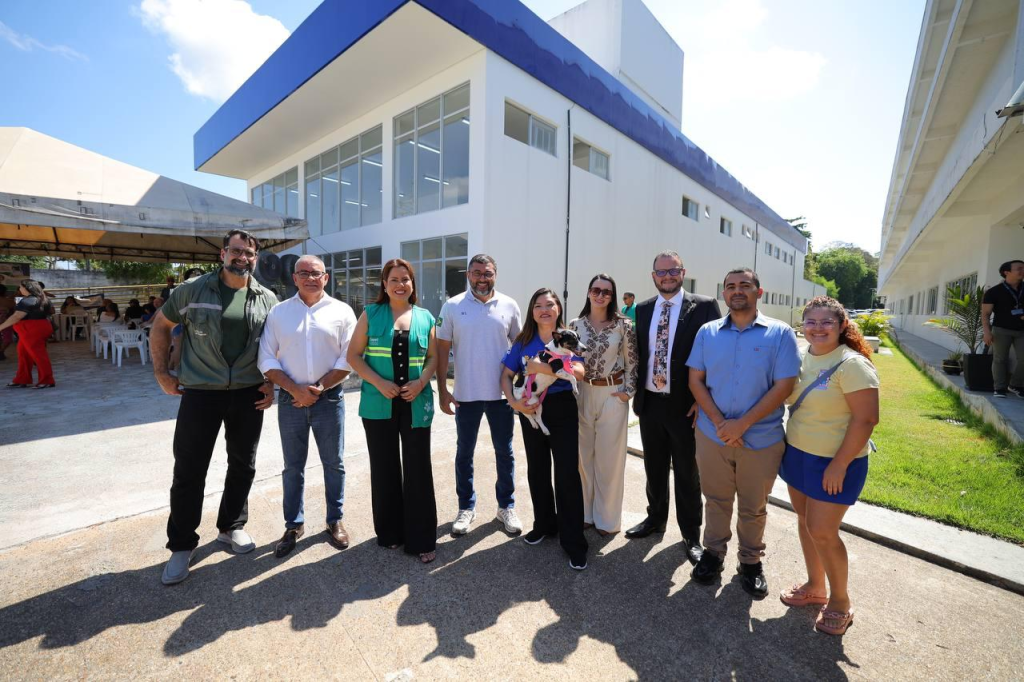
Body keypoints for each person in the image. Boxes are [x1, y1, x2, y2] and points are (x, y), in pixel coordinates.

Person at [150, 230, 277, 585]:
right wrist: (161, 372)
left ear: (255, 258)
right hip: (201, 393)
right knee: (189, 469)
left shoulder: (267, 299)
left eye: (249, 253)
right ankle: (181, 544)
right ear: (222, 254)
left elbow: (274, 347)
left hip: (248, 392)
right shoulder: (192, 290)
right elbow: (161, 325)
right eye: (236, 251)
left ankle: (231, 526)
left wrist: (271, 382)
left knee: (243, 464)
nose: (242, 257)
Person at [686, 268, 801, 596]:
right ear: (723, 293)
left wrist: (742, 424)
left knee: (754, 505)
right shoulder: (708, 332)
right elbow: (696, 380)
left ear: (758, 292)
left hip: (761, 440)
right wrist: (721, 424)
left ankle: (750, 562)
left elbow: (784, 386)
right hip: (712, 436)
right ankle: (713, 554)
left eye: (745, 285)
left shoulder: (780, 333)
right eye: (731, 286)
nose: (737, 291)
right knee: (716, 500)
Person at [779, 296, 879, 636]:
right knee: (806, 522)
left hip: (836, 462)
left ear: (842, 326)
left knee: (822, 530)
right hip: (798, 454)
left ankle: (840, 602)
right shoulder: (801, 356)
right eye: (811, 321)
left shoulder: (853, 365)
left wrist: (839, 464)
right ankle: (815, 587)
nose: (818, 328)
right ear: (802, 325)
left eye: (826, 322)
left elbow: (866, 419)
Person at [627, 251, 721, 567]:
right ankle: (655, 519)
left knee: (687, 472)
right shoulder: (643, 309)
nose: (667, 276)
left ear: (682, 272)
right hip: (650, 403)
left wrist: (702, 399)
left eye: (673, 270)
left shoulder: (704, 306)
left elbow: (715, 355)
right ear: (653, 275)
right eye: (661, 271)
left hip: (686, 406)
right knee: (654, 467)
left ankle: (691, 535)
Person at [260, 255, 357, 558]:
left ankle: (334, 520)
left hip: (329, 399)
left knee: (334, 463)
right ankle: (293, 525)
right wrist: (295, 389)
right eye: (304, 273)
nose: (310, 278)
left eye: (316, 273)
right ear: (294, 278)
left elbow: (350, 357)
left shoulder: (342, 311)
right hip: (290, 401)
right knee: (293, 466)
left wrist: (318, 388)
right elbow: (266, 357)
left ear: (326, 278)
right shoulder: (279, 312)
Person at [346, 258, 439, 564]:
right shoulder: (370, 314)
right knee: (384, 467)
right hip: (378, 403)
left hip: (416, 402)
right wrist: (379, 382)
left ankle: (422, 538)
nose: (400, 284)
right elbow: (353, 356)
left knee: (418, 469)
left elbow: (433, 359)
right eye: (394, 279)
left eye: (406, 279)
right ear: (384, 285)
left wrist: (421, 382)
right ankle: (390, 533)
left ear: (413, 284)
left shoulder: (425, 317)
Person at [500, 288, 589, 570]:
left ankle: (574, 541)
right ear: (532, 311)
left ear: (558, 308)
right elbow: (506, 375)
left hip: (562, 408)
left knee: (567, 473)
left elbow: (580, 372)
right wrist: (514, 402)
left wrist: (539, 366)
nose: (544, 310)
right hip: (530, 406)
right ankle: (545, 525)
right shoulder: (523, 340)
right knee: (537, 469)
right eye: (538, 305)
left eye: (549, 304)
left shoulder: (567, 336)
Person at [436, 254, 523, 537]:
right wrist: (442, 390)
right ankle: (466, 507)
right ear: (468, 275)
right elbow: (441, 350)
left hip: (501, 395)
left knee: (505, 453)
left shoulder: (509, 305)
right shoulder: (452, 306)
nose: (481, 278)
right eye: (476, 273)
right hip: (466, 394)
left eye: (487, 273)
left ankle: (506, 506)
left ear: (495, 274)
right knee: (464, 453)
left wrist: (521, 388)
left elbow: (520, 347)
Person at [570, 274, 637, 535]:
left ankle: (607, 520)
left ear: (612, 296)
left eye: (606, 292)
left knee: (609, 461)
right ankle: (585, 514)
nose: (600, 295)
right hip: (582, 393)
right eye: (596, 290)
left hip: (612, 393)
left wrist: (627, 392)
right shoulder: (575, 325)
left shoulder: (624, 325)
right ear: (588, 292)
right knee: (582, 458)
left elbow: (632, 362)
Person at [0, 279, 55, 388]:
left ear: (27, 288)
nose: (20, 289)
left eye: (21, 287)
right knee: (23, 354)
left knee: (38, 355)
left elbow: (16, 316)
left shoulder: (28, 301)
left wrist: (1, 327)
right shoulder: (43, 299)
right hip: (37, 328)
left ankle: (47, 380)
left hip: (31, 330)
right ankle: (22, 379)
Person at [982, 260, 1024, 397]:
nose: (1023, 271)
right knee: (1000, 359)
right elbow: (986, 314)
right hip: (1001, 330)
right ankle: (999, 388)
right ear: (1007, 272)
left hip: (1022, 331)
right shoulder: (994, 292)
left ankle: (1015, 384)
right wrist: (987, 332)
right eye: (1019, 268)